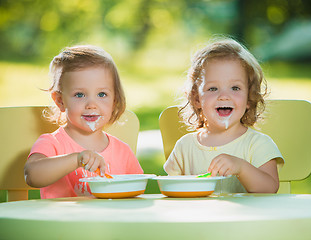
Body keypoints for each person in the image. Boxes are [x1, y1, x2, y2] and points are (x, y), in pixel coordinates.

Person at [164, 38, 284, 193]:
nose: (224, 96)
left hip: (246, 217)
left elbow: (270, 188)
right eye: (213, 88)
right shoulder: (185, 147)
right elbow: (171, 190)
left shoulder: (258, 144)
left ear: (250, 98)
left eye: (235, 88)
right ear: (196, 99)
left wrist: (241, 168)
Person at [24, 45, 143, 198]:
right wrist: (76, 159)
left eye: (102, 94)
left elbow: (137, 193)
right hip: (62, 221)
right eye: (79, 95)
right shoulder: (52, 143)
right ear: (60, 101)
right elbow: (32, 176)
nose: (91, 104)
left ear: (115, 100)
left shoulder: (123, 151)